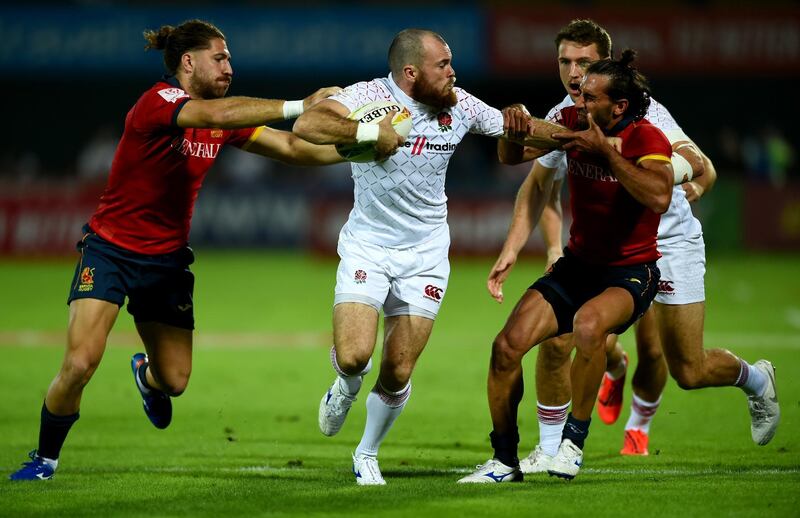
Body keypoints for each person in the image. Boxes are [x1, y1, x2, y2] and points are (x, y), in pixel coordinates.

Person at [10, 19, 343, 481]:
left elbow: (291, 146)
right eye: (220, 58)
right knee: (80, 362)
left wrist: (366, 145)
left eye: (229, 59)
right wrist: (299, 104)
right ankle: (44, 460)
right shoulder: (158, 102)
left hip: (166, 264)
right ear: (189, 62)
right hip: (110, 251)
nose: (230, 67)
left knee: (175, 381)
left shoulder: (222, 116)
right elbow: (213, 116)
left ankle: (147, 376)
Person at [494, 19, 780, 476]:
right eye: (565, 62)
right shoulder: (566, 113)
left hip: (667, 243)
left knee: (686, 369)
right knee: (559, 339)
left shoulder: (647, 116)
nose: (573, 74)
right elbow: (537, 184)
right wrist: (515, 247)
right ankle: (553, 449)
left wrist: (668, 175)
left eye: (583, 63)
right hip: (602, 255)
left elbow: (698, 162)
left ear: (604, 66)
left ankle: (755, 378)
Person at [293, 28, 523, 485]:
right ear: (411, 72)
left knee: (398, 368)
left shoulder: (460, 104)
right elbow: (306, 126)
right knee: (357, 356)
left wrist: (582, 139)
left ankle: (366, 453)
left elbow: (520, 132)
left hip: (427, 253)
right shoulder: (368, 96)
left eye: (452, 62)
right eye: (443, 65)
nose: (453, 72)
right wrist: (367, 132)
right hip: (368, 245)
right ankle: (345, 386)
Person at [459, 48, 682, 483]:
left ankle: (572, 444)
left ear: (618, 106)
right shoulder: (569, 124)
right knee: (506, 347)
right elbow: (510, 155)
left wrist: (606, 154)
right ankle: (504, 460)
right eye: (579, 94)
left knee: (588, 326)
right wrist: (515, 124)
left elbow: (658, 196)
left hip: (631, 271)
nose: (578, 100)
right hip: (578, 266)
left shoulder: (647, 139)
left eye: (590, 96)